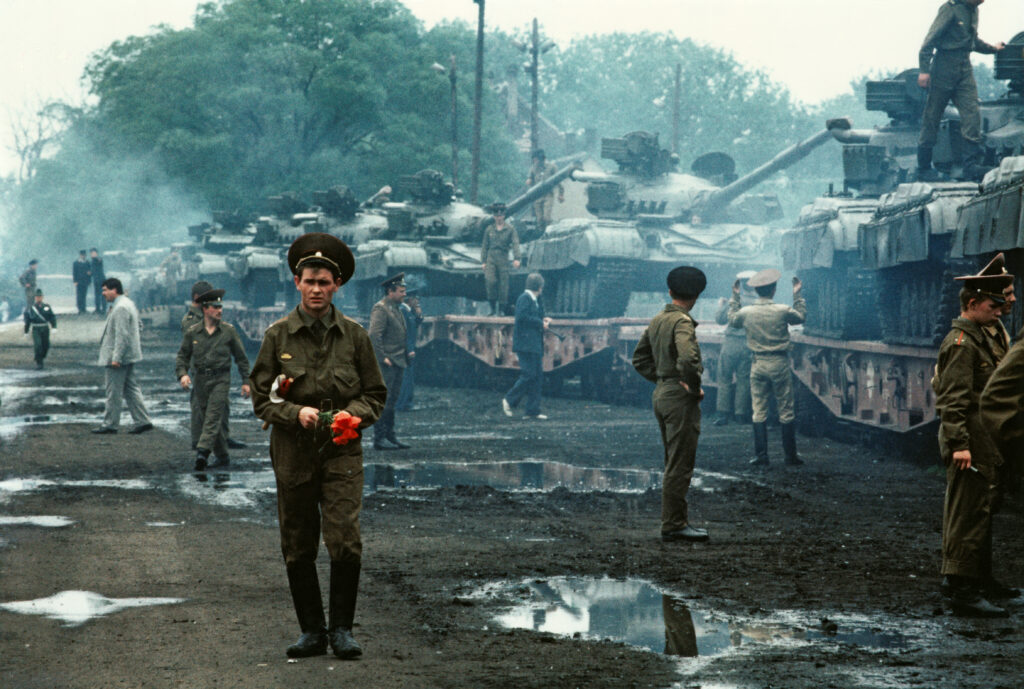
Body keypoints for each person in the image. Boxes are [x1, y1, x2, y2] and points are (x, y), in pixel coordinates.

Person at [249, 232, 386, 660]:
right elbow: (261, 398)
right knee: (298, 540)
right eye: (309, 281)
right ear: (296, 282)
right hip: (294, 448)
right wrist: (296, 413)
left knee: (344, 538)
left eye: (324, 282)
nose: (316, 289)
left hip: (342, 447)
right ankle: (311, 631)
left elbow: (375, 394)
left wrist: (354, 415)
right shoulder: (278, 337)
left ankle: (342, 630)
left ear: (336, 285)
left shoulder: (356, 337)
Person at [933, 258, 1015, 617]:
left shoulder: (985, 335)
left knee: (982, 509)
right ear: (972, 303)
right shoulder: (962, 343)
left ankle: (980, 580)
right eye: (993, 305)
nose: (1001, 310)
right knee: (967, 512)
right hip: (968, 440)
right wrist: (959, 445)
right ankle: (961, 589)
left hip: (982, 439)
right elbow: (952, 399)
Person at [632, 266, 710, 543]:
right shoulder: (682, 322)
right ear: (697, 295)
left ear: (670, 291)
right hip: (679, 397)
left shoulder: (658, 319)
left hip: (663, 393)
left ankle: (674, 521)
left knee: (673, 459)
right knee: (680, 462)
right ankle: (674, 524)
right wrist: (692, 386)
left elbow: (639, 359)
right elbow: (687, 359)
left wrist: (663, 379)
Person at [917, 0, 1005, 180]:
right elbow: (930, 40)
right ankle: (924, 167)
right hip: (943, 67)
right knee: (932, 116)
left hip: (964, 68)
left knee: (972, 113)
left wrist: (993, 49)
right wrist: (924, 70)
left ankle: (970, 166)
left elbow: (972, 40)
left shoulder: (973, 11)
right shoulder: (950, 9)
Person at [727, 269, 807, 467]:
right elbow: (800, 317)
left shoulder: (747, 312)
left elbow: (732, 320)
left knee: (758, 410)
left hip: (758, 364)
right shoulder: (782, 310)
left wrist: (735, 297)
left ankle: (761, 456)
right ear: (774, 290)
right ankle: (790, 456)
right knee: (786, 410)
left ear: (756, 291)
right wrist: (797, 294)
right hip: (779, 363)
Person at [175, 285, 250, 471]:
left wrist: (246, 382)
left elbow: (241, 358)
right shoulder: (193, 331)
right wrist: (183, 374)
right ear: (205, 309)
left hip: (220, 379)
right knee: (205, 415)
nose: (220, 311)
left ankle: (203, 452)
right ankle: (223, 455)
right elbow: (182, 356)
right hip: (200, 379)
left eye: (220, 307)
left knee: (213, 415)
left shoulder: (228, 331)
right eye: (215, 307)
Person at [92, 277, 153, 435]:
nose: (103, 293)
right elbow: (138, 325)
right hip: (128, 355)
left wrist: (116, 358)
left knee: (113, 392)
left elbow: (122, 334)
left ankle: (110, 424)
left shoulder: (120, 308)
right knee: (131, 389)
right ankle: (143, 421)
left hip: (118, 357)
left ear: (114, 290)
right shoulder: (128, 303)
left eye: (105, 290)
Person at [368, 273, 410, 450]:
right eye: (401, 291)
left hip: (398, 360)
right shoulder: (381, 309)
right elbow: (374, 335)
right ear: (390, 291)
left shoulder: (396, 308)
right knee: (383, 399)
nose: (404, 294)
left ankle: (390, 435)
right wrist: (382, 356)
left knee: (392, 399)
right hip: (387, 362)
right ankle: (379, 438)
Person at [502, 272, 551, 421]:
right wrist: (540, 323)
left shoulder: (534, 300)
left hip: (533, 344)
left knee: (537, 377)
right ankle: (509, 400)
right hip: (525, 344)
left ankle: (532, 410)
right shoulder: (524, 298)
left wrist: (544, 319)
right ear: (539, 287)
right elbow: (522, 317)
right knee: (529, 374)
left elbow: (532, 316)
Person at [713, 270, 755, 426]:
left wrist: (721, 306)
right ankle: (740, 415)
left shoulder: (733, 301)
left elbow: (720, 320)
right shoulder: (759, 303)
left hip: (731, 343)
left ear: (741, 285)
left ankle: (723, 414)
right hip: (749, 344)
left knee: (724, 378)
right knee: (744, 380)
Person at [480, 202, 521, 315]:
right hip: (491, 258)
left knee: (503, 284)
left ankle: (502, 309)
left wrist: (517, 258)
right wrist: (483, 261)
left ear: (504, 216)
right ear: (494, 216)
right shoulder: (489, 229)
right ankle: (493, 308)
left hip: (503, 257)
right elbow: (485, 246)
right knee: (490, 281)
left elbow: (515, 243)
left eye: (501, 215)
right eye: (497, 216)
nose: (499, 218)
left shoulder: (510, 229)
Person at [395, 290, 424, 412]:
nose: (417, 302)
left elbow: (414, 326)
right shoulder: (402, 311)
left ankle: (407, 403)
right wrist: (409, 349)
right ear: (410, 299)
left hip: (408, 349)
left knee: (408, 377)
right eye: (416, 299)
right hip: (405, 350)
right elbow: (403, 333)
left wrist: (419, 316)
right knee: (405, 378)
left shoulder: (408, 312)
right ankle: (402, 404)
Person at [526, 149, 564, 233]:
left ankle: (548, 233)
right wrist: (529, 180)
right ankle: (541, 234)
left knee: (546, 218)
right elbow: (530, 177)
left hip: (548, 195)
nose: (534, 161)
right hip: (537, 196)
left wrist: (561, 194)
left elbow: (558, 180)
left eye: (535, 159)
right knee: (539, 219)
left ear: (540, 158)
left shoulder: (552, 167)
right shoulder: (533, 168)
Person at [23, 289, 57, 370]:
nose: (39, 298)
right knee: (38, 345)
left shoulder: (46, 307)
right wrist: (26, 331)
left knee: (46, 345)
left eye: (40, 296)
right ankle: (39, 362)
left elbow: (52, 317)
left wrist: (54, 326)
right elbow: (28, 320)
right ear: (35, 298)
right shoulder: (31, 308)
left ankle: (41, 357)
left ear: (42, 297)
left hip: (45, 328)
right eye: (37, 297)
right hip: (36, 328)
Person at [72, 250, 92, 314]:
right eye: (82, 255)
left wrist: (89, 281)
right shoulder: (76, 263)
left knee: (84, 295)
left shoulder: (87, 262)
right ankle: (80, 308)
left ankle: (84, 308)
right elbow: (74, 272)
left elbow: (89, 272)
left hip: (85, 281)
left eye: (84, 255)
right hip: (79, 281)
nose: (83, 256)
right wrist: (75, 281)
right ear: (80, 255)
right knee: (79, 295)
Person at [90, 249, 107, 315]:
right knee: (97, 295)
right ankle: (98, 309)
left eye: (94, 253)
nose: (93, 254)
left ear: (96, 253)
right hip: (96, 280)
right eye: (92, 253)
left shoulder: (98, 259)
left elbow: (99, 261)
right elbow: (93, 270)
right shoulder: (92, 261)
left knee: (102, 295)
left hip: (101, 280)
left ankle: (104, 309)